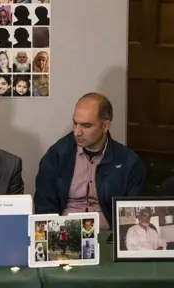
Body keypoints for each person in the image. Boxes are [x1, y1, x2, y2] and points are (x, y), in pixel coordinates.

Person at [34, 93, 146, 230]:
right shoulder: (57, 155)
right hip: (65, 232)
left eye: (86, 125)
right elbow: (44, 205)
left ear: (105, 126)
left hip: (107, 235)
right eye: (75, 123)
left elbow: (133, 212)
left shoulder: (129, 162)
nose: (77, 132)